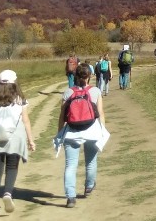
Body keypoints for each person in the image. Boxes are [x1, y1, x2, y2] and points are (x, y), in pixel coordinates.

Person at [0, 70, 36, 216]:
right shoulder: (20, 99)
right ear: (14, 82)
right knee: (12, 167)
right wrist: (30, 140)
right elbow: (26, 120)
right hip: (15, 138)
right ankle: (8, 193)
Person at [58, 64, 106, 208]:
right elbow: (101, 113)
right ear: (90, 76)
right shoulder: (95, 91)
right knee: (91, 162)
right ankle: (89, 186)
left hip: (72, 132)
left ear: (75, 76)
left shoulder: (67, 93)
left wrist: (60, 133)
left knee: (70, 165)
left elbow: (62, 116)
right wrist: (102, 130)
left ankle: (71, 197)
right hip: (91, 131)